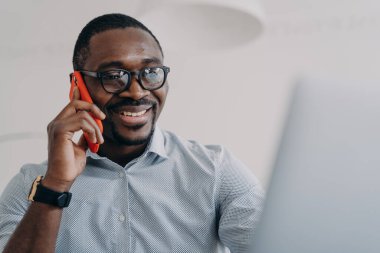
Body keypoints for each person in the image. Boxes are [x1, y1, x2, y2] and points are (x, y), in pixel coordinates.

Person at [0, 13, 264, 253]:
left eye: (150, 73)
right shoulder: (30, 185)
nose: (137, 92)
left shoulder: (216, 170)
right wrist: (55, 186)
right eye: (114, 75)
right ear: (78, 85)